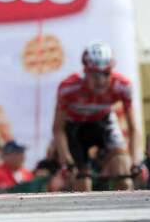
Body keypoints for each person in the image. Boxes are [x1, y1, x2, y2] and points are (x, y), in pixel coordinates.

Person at [52, 41, 142, 191]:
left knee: (124, 175)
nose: (100, 80)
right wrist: (66, 160)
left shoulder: (123, 86)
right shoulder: (68, 88)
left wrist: (135, 161)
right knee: (83, 181)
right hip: (76, 129)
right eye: (94, 74)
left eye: (106, 74)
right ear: (85, 71)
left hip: (103, 124)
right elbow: (58, 129)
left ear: (112, 70)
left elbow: (133, 128)